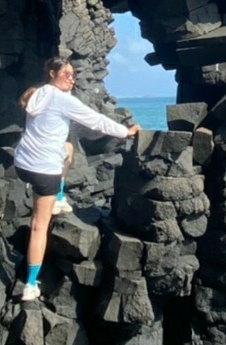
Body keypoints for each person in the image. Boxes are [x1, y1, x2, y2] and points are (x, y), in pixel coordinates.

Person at [12, 57, 139, 302]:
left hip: (22, 164)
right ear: (52, 73)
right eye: (67, 74)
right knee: (39, 225)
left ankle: (59, 197)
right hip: (43, 169)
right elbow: (95, 119)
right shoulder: (62, 100)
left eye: (73, 74)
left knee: (68, 149)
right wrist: (126, 132)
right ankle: (29, 285)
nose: (72, 78)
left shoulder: (36, 94)